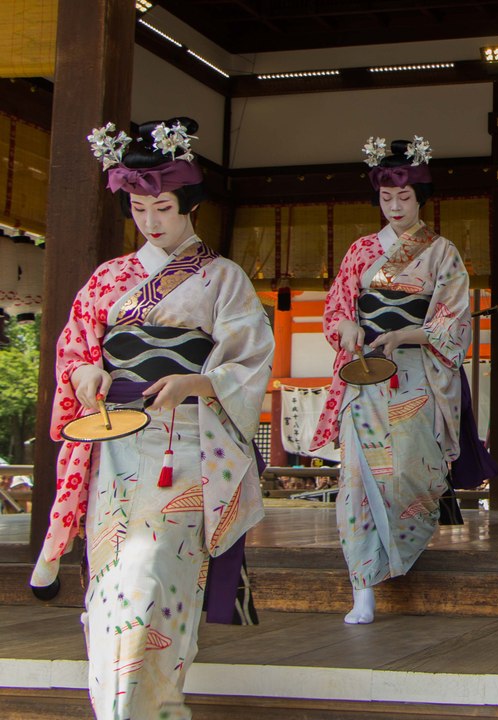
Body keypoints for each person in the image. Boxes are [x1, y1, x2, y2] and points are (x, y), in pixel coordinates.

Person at [30, 118, 274, 719]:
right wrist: (86, 373)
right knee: (114, 579)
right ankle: (121, 707)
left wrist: (198, 381)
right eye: (139, 209)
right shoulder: (108, 278)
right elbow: (75, 349)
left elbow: (249, 358)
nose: (150, 221)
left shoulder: (223, 277)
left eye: (162, 207)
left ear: (188, 202)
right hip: (115, 442)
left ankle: (155, 703)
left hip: (187, 444)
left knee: (158, 572)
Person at [310, 136, 473, 623]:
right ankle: (362, 583)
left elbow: (453, 320)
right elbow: (336, 308)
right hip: (364, 374)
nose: (396, 207)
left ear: (421, 198)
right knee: (356, 478)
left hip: (416, 372)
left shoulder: (442, 252)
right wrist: (347, 326)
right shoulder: (361, 250)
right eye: (386, 198)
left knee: (408, 469)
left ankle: (398, 553)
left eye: (404, 197)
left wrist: (407, 334)